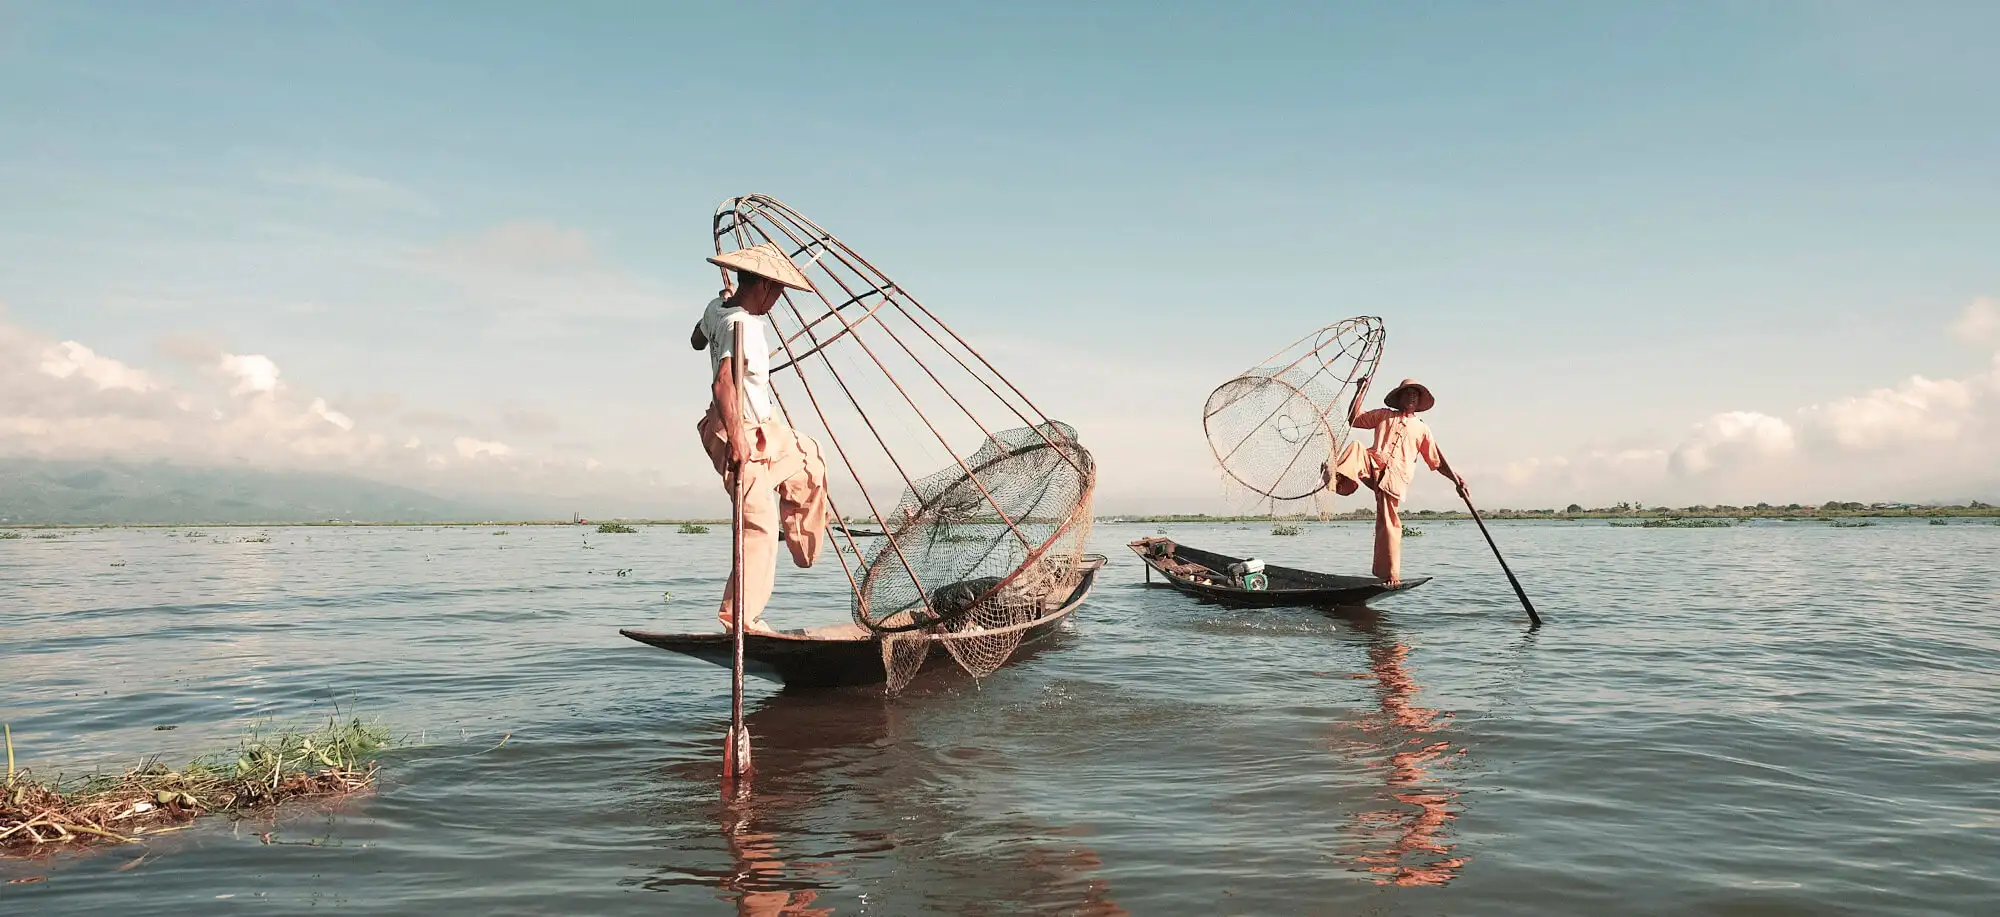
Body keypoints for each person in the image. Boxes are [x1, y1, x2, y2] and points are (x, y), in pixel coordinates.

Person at [691, 242, 832, 633]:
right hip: (737, 428)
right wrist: (737, 441)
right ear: (766, 288)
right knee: (759, 527)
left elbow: (696, 340)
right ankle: (740, 620)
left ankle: (802, 544)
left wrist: (720, 309)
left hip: (762, 427)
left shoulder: (717, 310)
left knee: (809, 455)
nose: (777, 301)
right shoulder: (744, 325)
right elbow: (723, 384)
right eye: (778, 293)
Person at [1322, 377, 1466, 585]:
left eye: (1415, 394)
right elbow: (1354, 419)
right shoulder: (1384, 415)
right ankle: (1337, 481)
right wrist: (1359, 391)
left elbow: (1437, 461)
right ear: (1398, 398)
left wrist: (1456, 480)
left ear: (1419, 401)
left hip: (1394, 479)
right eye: (1407, 393)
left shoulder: (1422, 429)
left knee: (1389, 523)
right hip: (1372, 465)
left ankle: (1391, 575)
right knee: (1356, 447)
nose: (1411, 396)